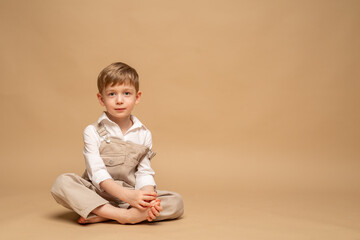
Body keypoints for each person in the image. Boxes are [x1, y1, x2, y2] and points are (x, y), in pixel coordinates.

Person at [51, 62, 184, 224]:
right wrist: (125, 195)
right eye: (112, 94)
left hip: (131, 195)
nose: (119, 100)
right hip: (97, 193)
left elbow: (144, 172)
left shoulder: (144, 133)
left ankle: (105, 214)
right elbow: (97, 172)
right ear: (101, 99)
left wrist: (146, 198)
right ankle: (125, 216)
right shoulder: (92, 131)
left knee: (176, 201)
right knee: (62, 183)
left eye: (127, 93)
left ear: (137, 97)